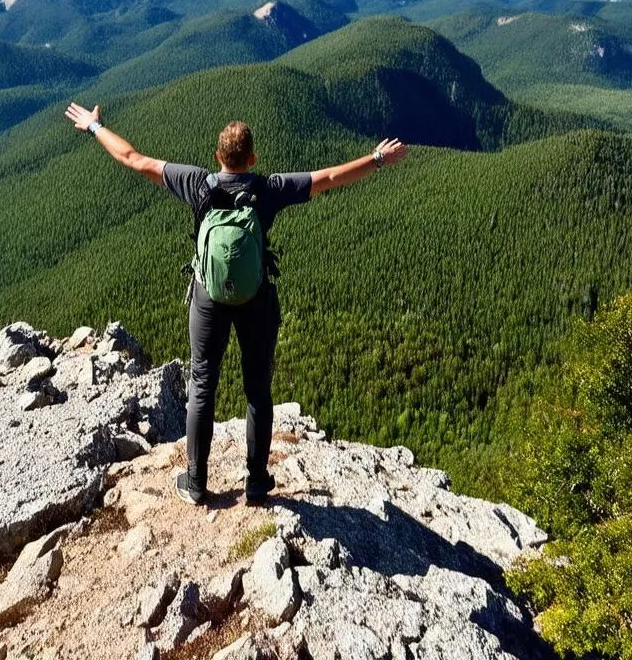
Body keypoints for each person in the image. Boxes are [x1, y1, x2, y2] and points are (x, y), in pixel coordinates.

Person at [64, 102, 408, 505]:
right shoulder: (269, 189)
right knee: (258, 390)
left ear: (217, 157)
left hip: (208, 298)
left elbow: (133, 159)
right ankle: (258, 482)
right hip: (255, 299)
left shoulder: (196, 184)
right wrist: (379, 157)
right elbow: (330, 177)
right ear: (253, 158)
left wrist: (94, 126)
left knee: (202, 384)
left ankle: (195, 483)